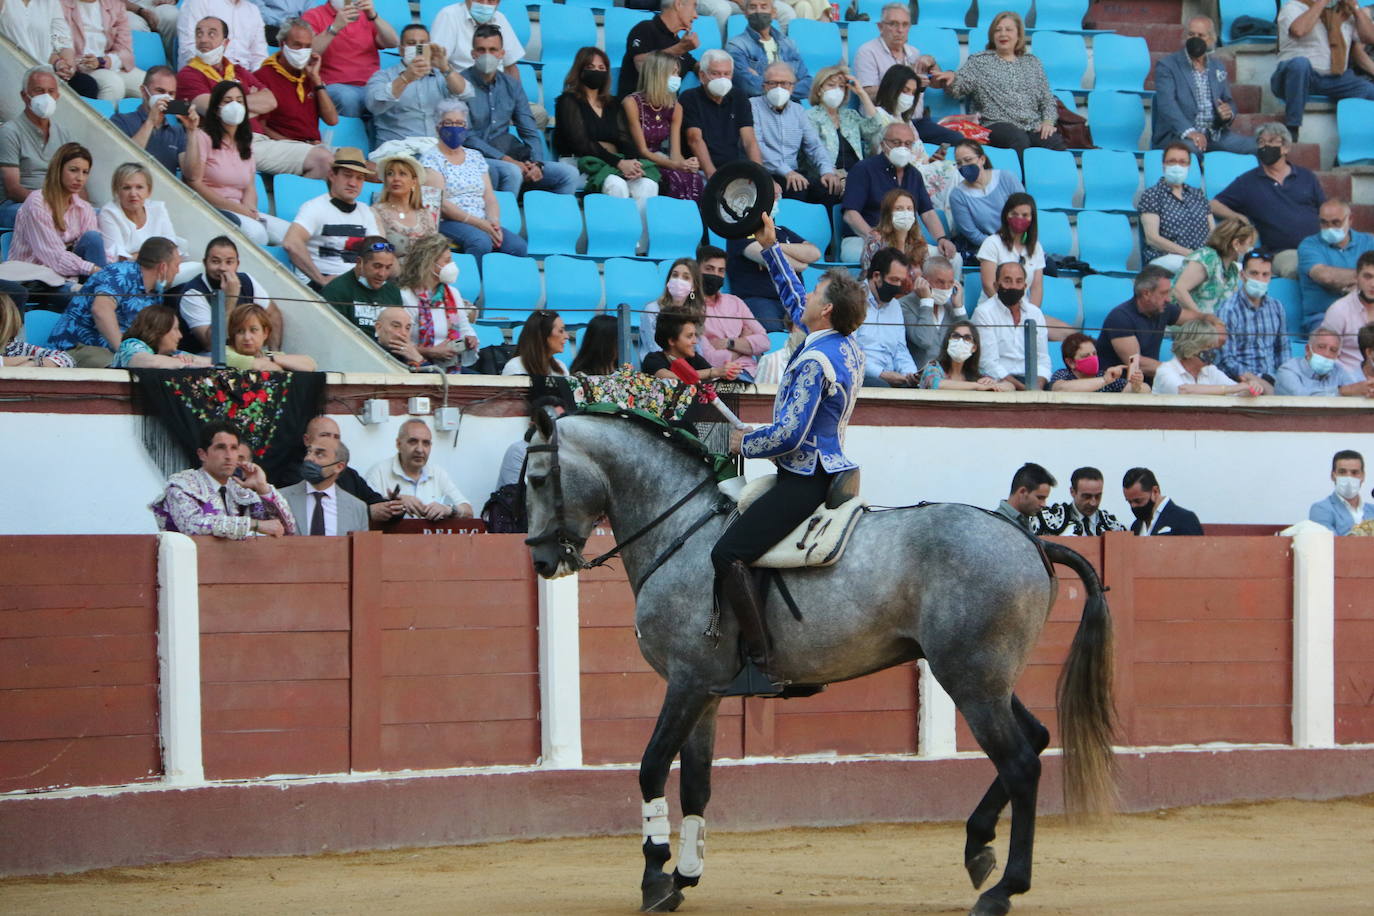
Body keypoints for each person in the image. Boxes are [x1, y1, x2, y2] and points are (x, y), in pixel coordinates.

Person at [711, 211, 868, 697]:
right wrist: (771, 245)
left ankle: (762, 663)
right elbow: (793, 298)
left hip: (805, 476)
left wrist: (745, 442)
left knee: (727, 552)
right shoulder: (842, 344)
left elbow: (789, 437)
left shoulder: (813, 360)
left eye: (816, 293)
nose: (807, 295)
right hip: (833, 467)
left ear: (825, 312)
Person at [178, 16, 334, 179]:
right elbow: (211, 107)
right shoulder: (189, 74)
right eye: (199, 34)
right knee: (322, 159)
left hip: (259, 141)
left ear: (225, 42)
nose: (203, 39)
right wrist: (249, 102)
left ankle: (294, 201)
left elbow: (270, 101)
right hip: (226, 141)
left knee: (328, 161)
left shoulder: (237, 70)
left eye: (211, 34)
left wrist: (231, 105)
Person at [460, 24, 577, 195]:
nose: (487, 55)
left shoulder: (511, 85)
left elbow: (529, 129)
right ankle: (504, 221)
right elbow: (467, 137)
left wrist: (537, 164)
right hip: (475, 158)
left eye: (493, 50)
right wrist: (507, 160)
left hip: (511, 156)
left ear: (502, 54)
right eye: (481, 49)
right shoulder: (461, 84)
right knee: (512, 171)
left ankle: (552, 220)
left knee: (568, 174)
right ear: (473, 54)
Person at [934, 11, 1064, 151]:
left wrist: (1048, 122)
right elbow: (959, 87)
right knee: (1018, 139)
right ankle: (1018, 174)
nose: (1003, 34)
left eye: (1008, 30)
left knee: (1054, 142)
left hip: (1032, 126)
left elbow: (1047, 99)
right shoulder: (980, 61)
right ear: (992, 35)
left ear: (1018, 35)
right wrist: (951, 78)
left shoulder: (1032, 63)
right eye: (998, 30)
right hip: (996, 124)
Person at [184, 80, 292, 246]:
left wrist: (249, 209)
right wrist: (239, 210)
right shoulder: (202, 137)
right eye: (227, 101)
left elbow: (249, 186)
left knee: (293, 235)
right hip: (215, 208)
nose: (234, 106)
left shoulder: (245, 142)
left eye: (239, 101)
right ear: (216, 109)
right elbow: (194, 182)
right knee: (258, 235)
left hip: (242, 210)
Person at [1211, 123, 1324, 278]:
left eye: (1271, 141)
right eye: (1261, 142)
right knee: (1306, 269)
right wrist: (1238, 217)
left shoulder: (1307, 177)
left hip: (1317, 248)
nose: (1265, 146)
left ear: (1285, 148)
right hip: (1283, 253)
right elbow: (1214, 204)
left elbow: (1324, 211)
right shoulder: (1248, 182)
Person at [150, 420, 296, 538]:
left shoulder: (240, 490)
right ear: (202, 454)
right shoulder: (183, 485)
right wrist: (254, 524)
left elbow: (286, 528)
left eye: (233, 448)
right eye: (220, 447)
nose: (228, 455)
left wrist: (262, 487)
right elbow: (192, 526)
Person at [47, 237, 179, 366]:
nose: (178, 271)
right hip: (77, 348)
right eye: (176, 265)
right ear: (163, 267)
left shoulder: (156, 294)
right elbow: (101, 310)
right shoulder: (120, 273)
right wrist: (125, 353)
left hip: (113, 354)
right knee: (127, 370)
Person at [421, 99, 528, 258]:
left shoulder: (475, 156)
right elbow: (441, 204)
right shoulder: (431, 159)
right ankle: (473, 282)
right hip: (447, 222)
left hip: (481, 220)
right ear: (438, 127)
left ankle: (498, 283)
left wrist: (493, 222)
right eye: (449, 123)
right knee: (481, 242)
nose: (455, 128)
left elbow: (489, 197)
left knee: (517, 246)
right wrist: (480, 224)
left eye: (460, 124)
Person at [554, 46, 659, 206]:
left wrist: (632, 163)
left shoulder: (613, 103)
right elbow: (580, 143)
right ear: (579, 70)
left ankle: (641, 231)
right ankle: (618, 230)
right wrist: (618, 163)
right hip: (581, 163)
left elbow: (625, 139)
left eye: (601, 68)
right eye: (590, 67)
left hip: (614, 162)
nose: (596, 71)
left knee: (647, 185)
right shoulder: (568, 101)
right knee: (616, 184)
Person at [841, 121, 954, 264]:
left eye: (908, 144)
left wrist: (941, 239)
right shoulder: (863, 169)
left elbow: (928, 213)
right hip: (862, 239)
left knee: (952, 259)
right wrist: (873, 237)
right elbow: (850, 214)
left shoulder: (914, 175)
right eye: (896, 142)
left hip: (905, 241)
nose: (903, 148)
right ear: (883, 144)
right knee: (890, 260)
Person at [854, 2, 959, 145]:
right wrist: (904, 87)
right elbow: (867, 93)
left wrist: (932, 62)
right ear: (880, 27)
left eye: (905, 25)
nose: (900, 30)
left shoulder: (914, 52)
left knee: (958, 141)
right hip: (885, 123)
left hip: (916, 121)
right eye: (893, 24)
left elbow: (939, 83)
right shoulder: (867, 52)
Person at [1151, 17, 1256, 155]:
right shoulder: (1167, 66)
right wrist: (1190, 132)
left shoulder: (1217, 66)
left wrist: (1227, 113)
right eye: (1191, 34)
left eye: (1201, 35)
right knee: (1193, 149)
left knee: (1256, 146)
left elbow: (1228, 101)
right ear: (1184, 37)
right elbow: (1167, 105)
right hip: (1179, 136)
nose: (1195, 39)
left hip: (1214, 135)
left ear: (1211, 39)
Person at [1272, 0, 1374, 140]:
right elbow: (1298, 30)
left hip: (1334, 79)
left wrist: (1355, 9)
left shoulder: (1343, 12)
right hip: (1294, 78)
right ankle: (1292, 128)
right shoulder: (1293, 6)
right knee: (1300, 64)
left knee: (1369, 90)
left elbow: (1369, 37)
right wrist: (1321, 3)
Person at [273, 414, 405, 522]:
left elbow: (376, 503)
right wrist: (366, 513)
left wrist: (395, 506)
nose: (331, 441)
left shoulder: (349, 475)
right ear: (307, 440)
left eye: (336, 437)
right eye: (325, 435)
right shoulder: (291, 474)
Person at [8, 142, 105, 284]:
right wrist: (94, 269)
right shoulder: (37, 203)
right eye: (73, 170)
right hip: (34, 276)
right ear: (58, 169)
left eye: (85, 172)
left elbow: (91, 248)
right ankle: (101, 294)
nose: (80, 178)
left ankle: (103, 293)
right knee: (77, 295)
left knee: (93, 238)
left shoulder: (84, 208)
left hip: (68, 275)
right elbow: (54, 256)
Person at [1096, 264, 1219, 377]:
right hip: (1119, 385)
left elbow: (1198, 317)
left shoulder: (1163, 309)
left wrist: (1215, 322)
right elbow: (1136, 363)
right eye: (1164, 293)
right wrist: (1181, 371)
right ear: (1146, 294)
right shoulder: (1120, 318)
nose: (1169, 299)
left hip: (1150, 383)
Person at [282, 147, 381, 288]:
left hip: (357, 283)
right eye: (347, 175)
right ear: (332, 175)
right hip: (323, 283)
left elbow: (377, 251)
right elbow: (291, 243)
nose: (353, 183)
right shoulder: (314, 207)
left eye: (359, 178)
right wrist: (321, 280)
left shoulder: (365, 211)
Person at [752, 61, 842, 206]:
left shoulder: (798, 111)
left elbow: (814, 146)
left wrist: (827, 171)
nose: (779, 88)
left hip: (793, 173)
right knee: (796, 188)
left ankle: (825, 229)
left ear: (793, 87)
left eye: (785, 84)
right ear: (764, 86)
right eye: (773, 83)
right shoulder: (752, 106)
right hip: (765, 173)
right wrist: (787, 172)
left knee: (829, 187)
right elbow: (757, 145)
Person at [364, 23, 470, 145]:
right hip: (399, 151)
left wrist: (445, 67)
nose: (417, 47)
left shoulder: (442, 76)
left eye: (422, 43)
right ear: (401, 49)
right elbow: (374, 105)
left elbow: (466, 94)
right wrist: (405, 78)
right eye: (411, 43)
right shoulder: (383, 76)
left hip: (438, 150)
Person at [624, 50, 704, 202]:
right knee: (674, 177)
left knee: (694, 178)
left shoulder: (675, 107)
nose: (677, 78)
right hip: (638, 160)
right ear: (657, 74)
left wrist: (687, 164)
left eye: (677, 73)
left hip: (662, 159)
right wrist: (676, 165)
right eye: (673, 73)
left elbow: (675, 153)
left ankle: (691, 223)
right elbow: (642, 151)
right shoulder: (632, 103)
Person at [0, 67, 74, 229]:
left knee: (96, 215)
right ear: (24, 96)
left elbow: (76, 179)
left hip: (56, 205)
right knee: (43, 216)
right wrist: (49, 206)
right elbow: (13, 189)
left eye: (51, 91)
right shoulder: (9, 132)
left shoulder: (63, 133)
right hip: (16, 206)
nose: (46, 96)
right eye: (39, 91)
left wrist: (80, 206)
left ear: (57, 96)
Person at [397, 232, 480, 372]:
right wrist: (430, 352)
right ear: (429, 264)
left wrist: (470, 339)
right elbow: (401, 345)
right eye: (447, 261)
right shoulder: (406, 296)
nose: (452, 265)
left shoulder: (452, 294)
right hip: (416, 368)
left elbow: (464, 327)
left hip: (451, 367)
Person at [300, 0, 398, 118]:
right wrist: (335, 27)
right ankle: (352, 135)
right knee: (348, 97)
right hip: (333, 85)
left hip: (370, 85)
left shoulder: (365, 15)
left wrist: (373, 16)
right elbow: (308, 53)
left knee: (393, 95)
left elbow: (393, 42)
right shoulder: (314, 15)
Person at [179, 236, 279, 352]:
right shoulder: (193, 293)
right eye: (215, 261)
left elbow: (273, 314)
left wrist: (274, 353)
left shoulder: (247, 281)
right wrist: (230, 299)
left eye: (229, 262)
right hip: (207, 359)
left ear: (237, 264)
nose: (222, 268)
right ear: (205, 263)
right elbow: (211, 344)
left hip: (245, 353)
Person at [252, 18, 339, 146]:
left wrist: (316, 80)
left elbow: (332, 120)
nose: (302, 51)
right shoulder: (262, 77)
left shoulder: (309, 75)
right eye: (297, 45)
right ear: (282, 45)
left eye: (308, 47)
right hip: (283, 149)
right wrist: (295, 146)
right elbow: (261, 128)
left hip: (314, 147)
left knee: (359, 162)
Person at [365, 418, 474, 519]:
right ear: (398, 444)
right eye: (413, 442)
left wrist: (448, 509)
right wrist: (393, 503)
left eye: (426, 443)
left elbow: (468, 511)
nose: (420, 449)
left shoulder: (437, 473)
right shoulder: (378, 472)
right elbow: (365, 512)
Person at [680, 50, 763, 179]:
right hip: (699, 170)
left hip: (733, 169)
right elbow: (694, 139)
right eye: (715, 74)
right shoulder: (689, 98)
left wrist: (761, 177)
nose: (722, 79)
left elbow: (749, 141)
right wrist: (713, 175)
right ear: (702, 76)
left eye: (727, 74)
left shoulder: (739, 97)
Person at [726, 217, 820, 330]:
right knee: (772, 331)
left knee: (813, 328)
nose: (775, 200)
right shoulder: (739, 232)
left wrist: (772, 244)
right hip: (759, 299)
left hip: (793, 298)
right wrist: (800, 260)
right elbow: (774, 259)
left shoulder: (782, 230)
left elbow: (815, 253)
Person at [692, 244, 768, 380]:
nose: (715, 275)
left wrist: (730, 343)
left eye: (721, 271)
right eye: (709, 269)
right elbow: (710, 359)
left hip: (750, 373)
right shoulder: (691, 306)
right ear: (697, 270)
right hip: (716, 377)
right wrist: (743, 344)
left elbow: (764, 342)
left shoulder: (735, 302)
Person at [0, 0, 102, 100]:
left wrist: (64, 66)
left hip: (44, 70)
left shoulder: (51, 3)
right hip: (10, 69)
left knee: (87, 84)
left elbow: (63, 41)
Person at [1298, 200, 1374, 332]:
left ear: (1350, 219)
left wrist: (1355, 285)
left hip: (1368, 314)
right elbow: (1325, 276)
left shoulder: (1368, 242)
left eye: (1335, 222)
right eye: (1324, 222)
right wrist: (1363, 283)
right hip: (1322, 317)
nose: (1329, 228)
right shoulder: (1309, 245)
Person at [1138, 142, 1213, 274]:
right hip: (1168, 258)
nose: (1177, 166)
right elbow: (1152, 238)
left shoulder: (1198, 195)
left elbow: (1214, 232)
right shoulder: (1152, 195)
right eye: (1171, 161)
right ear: (1163, 165)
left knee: (1237, 269)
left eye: (1183, 162)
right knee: (1195, 268)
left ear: (1189, 166)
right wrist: (1188, 254)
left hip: (1201, 258)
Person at [973, 261, 1050, 389]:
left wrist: (1038, 386)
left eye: (1019, 281)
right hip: (1000, 381)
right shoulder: (984, 313)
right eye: (1007, 280)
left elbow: (1043, 358)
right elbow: (988, 363)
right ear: (996, 285)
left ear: (1025, 286)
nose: (1013, 286)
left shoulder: (1035, 313)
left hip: (1033, 382)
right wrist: (1023, 389)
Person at [1215, 251, 1289, 383]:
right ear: (1242, 275)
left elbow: (1282, 349)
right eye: (1254, 273)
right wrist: (1256, 379)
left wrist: (1284, 378)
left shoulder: (1277, 307)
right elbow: (1226, 359)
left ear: (1270, 277)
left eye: (1265, 274)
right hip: (1240, 383)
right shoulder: (1229, 310)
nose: (1260, 279)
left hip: (1273, 380)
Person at [111, 67, 196, 177]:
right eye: (160, 91)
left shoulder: (178, 132)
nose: (166, 97)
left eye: (171, 94)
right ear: (143, 91)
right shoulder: (121, 120)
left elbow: (192, 176)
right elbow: (126, 163)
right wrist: (150, 121)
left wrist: (192, 131)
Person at [807, 66, 883, 185]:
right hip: (827, 177)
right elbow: (811, 153)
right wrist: (832, 173)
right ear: (819, 89)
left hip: (856, 174)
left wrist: (861, 93)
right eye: (831, 85)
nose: (836, 90)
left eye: (841, 87)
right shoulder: (810, 116)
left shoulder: (850, 115)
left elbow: (875, 126)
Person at [98, 162, 185, 266]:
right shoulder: (109, 213)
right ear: (117, 191)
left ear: (149, 190)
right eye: (126, 188)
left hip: (161, 267)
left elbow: (171, 247)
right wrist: (157, 254)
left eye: (139, 187)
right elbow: (117, 258)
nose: (133, 194)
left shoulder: (158, 209)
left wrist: (135, 255)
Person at [855, 247, 919, 387]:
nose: (898, 286)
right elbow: (848, 352)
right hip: (862, 377)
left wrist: (911, 375)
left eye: (901, 281)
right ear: (877, 276)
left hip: (892, 377)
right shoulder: (852, 299)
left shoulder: (895, 306)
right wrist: (881, 374)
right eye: (894, 280)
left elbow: (900, 350)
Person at [58, 0, 144, 102]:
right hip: (79, 66)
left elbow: (125, 50)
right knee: (113, 84)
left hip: (108, 62)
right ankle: (103, 117)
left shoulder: (115, 5)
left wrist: (102, 61)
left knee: (151, 84)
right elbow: (60, 43)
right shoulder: (61, 5)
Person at [973, 192, 1047, 310]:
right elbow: (988, 285)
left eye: (1025, 215)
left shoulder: (1036, 247)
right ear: (1006, 215)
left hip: (1023, 311)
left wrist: (1032, 315)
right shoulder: (992, 243)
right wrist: (1010, 311)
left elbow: (1037, 288)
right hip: (994, 310)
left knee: (1064, 328)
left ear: (1032, 218)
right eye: (1015, 214)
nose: (1020, 219)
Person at [1153, 319, 1266, 396]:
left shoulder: (1210, 371)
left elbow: (1238, 392)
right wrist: (1229, 389)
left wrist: (1249, 388)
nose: (1212, 352)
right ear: (1191, 348)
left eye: (1213, 347)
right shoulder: (1165, 370)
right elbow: (1183, 390)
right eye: (1207, 347)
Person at [949, 139, 1024, 252]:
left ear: (982, 159)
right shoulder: (957, 196)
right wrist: (1002, 247)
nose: (963, 166)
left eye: (968, 160)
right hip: (989, 250)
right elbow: (973, 234)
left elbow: (1026, 212)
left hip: (1018, 241)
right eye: (959, 163)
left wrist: (1018, 242)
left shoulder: (1007, 178)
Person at [282, 438, 370, 535]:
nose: (309, 458)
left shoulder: (357, 508)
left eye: (319, 454)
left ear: (339, 467)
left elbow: (361, 548)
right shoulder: (280, 497)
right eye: (309, 452)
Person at [726, 0, 810, 101]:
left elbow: (808, 84)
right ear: (745, 14)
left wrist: (766, 83)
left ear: (774, 12)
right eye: (753, 7)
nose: (758, 11)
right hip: (756, 107)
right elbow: (748, 86)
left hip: (790, 108)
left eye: (764, 7)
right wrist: (788, 85)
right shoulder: (737, 45)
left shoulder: (788, 44)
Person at [1172, 218, 1256, 316]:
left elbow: (1234, 304)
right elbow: (1179, 290)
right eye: (1249, 244)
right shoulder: (1207, 257)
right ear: (1236, 244)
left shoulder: (1232, 270)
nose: (1251, 250)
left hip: (1213, 327)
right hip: (1188, 326)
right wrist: (1204, 320)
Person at [641, 311, 743, 391]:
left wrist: (727, 374)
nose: (695, 341)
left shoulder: (694, 358)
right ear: (672, 340)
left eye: (695, 335)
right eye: (689, 336)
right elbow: (670, 378)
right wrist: (715, 372)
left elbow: (713, 378)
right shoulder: (652, 359)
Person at [618, 0, 699, 99]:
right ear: (678, 4)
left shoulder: (678, 42)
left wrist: (714, 63)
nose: (696, 16)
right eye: (694, 7)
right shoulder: (645, 28)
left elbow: (696, 66)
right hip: (637, 109)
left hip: (668, 110)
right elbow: (641, 64)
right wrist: (679, 49)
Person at [321, 236, 401, 333]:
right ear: (359, 263)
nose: (382, 274)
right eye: (377, 266)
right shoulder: (336, 291)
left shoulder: (393, 292)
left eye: (388, 268)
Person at [369, 151, 440, 262]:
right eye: (390, 174)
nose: (396, 178)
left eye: (402, 174)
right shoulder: (376, 212)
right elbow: (378, 255)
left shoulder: (425, 215)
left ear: (414, 182)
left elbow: (436, 252)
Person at [900, 254, 966, 370]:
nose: (946, 288)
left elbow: (969, 344)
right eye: (940, 282)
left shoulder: (951, 306)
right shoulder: (905, 305)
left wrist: (959, 309)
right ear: (924, 281)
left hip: (952, 376)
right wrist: (926, 302)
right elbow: (925, 341)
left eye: (950, 282)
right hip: (923, 378)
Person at [431, 0, 524, 79]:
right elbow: (436, 62)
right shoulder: (449, 16)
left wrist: (517, 97)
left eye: (491, 0)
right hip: (461, 88)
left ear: (498, 2)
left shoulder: (500, 18)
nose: (484, 4)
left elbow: (510, 67)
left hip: (496, 90)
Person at [638, 257, 705, 364]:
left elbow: (697, 349)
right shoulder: (652, 309)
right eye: (675, 275)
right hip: (658, 366)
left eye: (686, 277)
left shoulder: (697, 312)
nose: (678, 280)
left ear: (694, 287)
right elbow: (655, 348)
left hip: (688, 366)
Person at [1033, 467, 1128, 536]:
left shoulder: (1115, 528)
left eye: (1098, 496)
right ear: (1072, 491)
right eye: (1086, 496)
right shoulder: (1045, 521)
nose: (1093, 503)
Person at [860, 189, 927, 287]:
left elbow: (926, 275)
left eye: (909, 209)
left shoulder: (918, 240)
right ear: (888, 213)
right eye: (899, 209)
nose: (905, 213)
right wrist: (900, 239)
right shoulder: (875, 240)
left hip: (914, 295)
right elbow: (871, 277)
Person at [916, 320, 1009, 391]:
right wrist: (976, 386)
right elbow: (935, 384)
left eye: (967, 338)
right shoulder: (934, 367)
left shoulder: (977, 373)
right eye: (956, 336)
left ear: (974, 348)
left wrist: (993, 384)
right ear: (948, 342)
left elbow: (1009, 386)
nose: (961, 341)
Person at [109, 305, 211, 369]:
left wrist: (190, 360)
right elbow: (150, 362)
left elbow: (212, 362)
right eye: (175, 329)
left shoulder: (173, 353)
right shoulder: (131, 344)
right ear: (160, 330)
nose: (180, 336)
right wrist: (183, 363)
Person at [1275, 326, 1368, 396]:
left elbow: (1354, 390)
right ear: (1308, 349)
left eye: (1333, 350)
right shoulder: (1287, 371)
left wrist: (1368, 390)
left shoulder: (1338, 371)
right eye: (1321, 347)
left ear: (1337, 356)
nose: (1327, 354)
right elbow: (1302, 398)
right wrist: (1341, 391)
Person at [1321, 250, 1374, 372]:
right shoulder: (1338, 311)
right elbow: (1326, 356)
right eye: (1368, 277)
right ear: (1356, 277)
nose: (1373, 284)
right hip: (1351, 381)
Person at [176, 0, 267, 70]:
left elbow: (259, 57)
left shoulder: (253, 10)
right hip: (205, 74)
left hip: (243, 79)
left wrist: (256, 83)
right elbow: (189, 51)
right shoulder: (199, 2)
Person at [225, 302, 317, 371]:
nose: (247, 337)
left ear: (265, 333)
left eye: (253, 330)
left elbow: (310, 364)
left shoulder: (269, 356)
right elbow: (262, 366)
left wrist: (270, 359)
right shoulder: (224, 353)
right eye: (240, 331)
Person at [1050, 333, 1150, 393]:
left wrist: (1136, 385)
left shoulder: (1105, 376)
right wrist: (1104, 381)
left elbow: (1146, 390)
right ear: (1071, 362)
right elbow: (1060, 388)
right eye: (1086, 356)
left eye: (1094, 354)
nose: (1093, 358)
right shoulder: (1063, 374)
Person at [1309, 449, 1374, 535]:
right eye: (1342, 472)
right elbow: (1332, 543)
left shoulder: (1372, 510)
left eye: (1354, 472)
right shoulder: (1321, 509)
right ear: (1333, 475)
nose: (1348, 477)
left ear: (1363, 476)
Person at [1122, 467, 1202, 536]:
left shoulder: (1184, 519)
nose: (1133, 506)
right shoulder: (1136, 526)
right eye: (1129, 502)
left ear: (1155, 491)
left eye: (1138, 501)